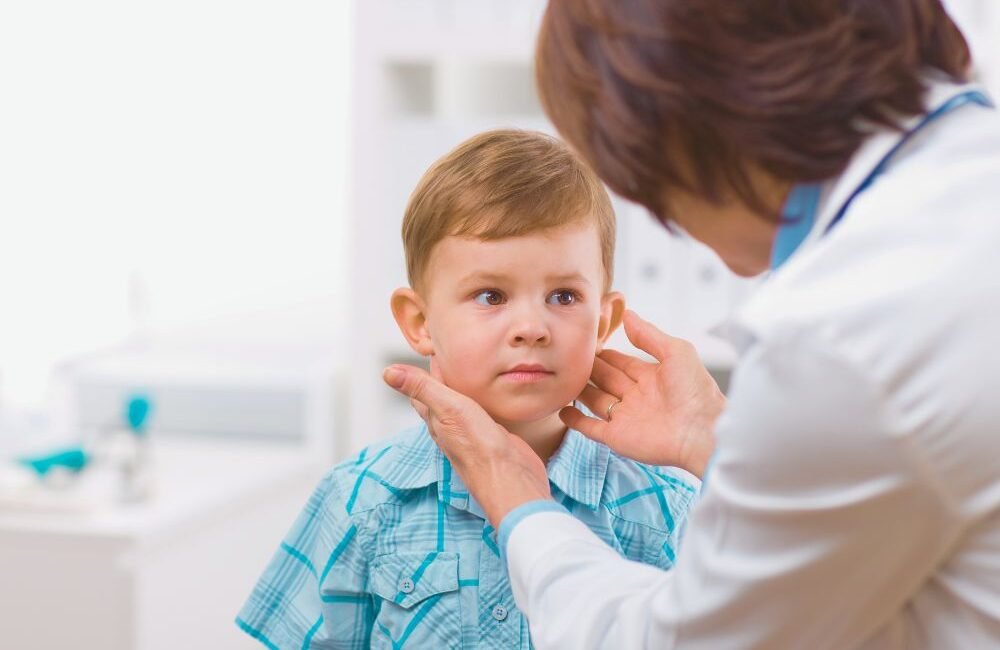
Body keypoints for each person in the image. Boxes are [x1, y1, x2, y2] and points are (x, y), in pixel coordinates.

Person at [383, 1, 1000, 648]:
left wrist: (519, 506)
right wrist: (721, 438)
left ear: (679, 136)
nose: (668, 221)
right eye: (489, 295)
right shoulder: (966, 174)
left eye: (564, 295)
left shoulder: (838, 337)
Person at [236, 129, 701, 648]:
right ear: (419, 322)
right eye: (490, 295)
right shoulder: (360, 499)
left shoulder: (667, 511)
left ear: (603, 321)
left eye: (564, 296)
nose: (532, 326)